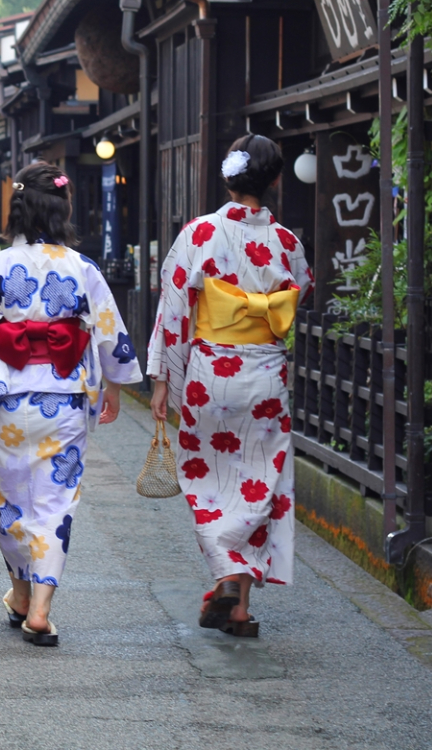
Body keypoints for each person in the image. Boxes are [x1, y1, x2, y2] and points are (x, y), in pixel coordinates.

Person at [0, 163, 141, 647]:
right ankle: (40, 608)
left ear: (18, 211)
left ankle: (21, 594)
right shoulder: (81, 267)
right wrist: (114, 386)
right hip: (64, 398)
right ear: (63, 210)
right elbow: (109, 331)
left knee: (10, 499)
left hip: (6, 399)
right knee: (55, 503)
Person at [146, 134, 313, 638]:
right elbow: (301, 290)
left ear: (227, 177)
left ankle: (225, 574)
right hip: (265, 376)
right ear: (276, 179)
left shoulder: (199, 233)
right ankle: (238, 606)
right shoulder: (287, 242)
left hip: (211, 376)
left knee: (208, 482)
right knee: (258, 481)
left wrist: (162, 378)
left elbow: (173, 308)